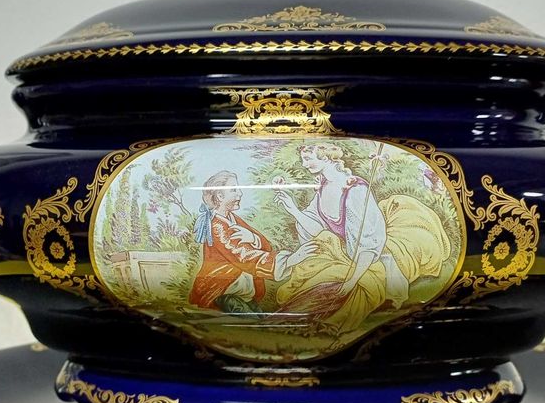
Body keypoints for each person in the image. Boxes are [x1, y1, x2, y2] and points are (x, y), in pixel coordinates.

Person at [273, 143, 453, 334]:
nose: (304, 164)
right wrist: (293, 210)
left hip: (371, 255)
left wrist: (351, 280)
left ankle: (328, 326)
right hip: (345, 253)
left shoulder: (355, 191)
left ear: (325, 157)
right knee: (313, 281)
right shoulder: (323, 188)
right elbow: (318, 230)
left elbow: (368, 244)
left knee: (361, 287)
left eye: (308, 159)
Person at [188, 171, 316, 314]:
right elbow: (244, 256)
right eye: (234, 190)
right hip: (221, 292)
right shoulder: (216, 226)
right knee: (257, 321)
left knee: (265, 320)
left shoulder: (232, 218)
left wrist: (253, 238)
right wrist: (290, 260)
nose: (240, 193)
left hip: (242, 293)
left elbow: (266, 246)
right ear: (220, 196)